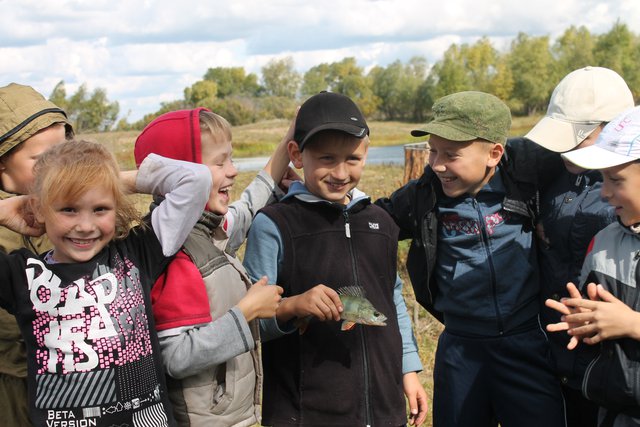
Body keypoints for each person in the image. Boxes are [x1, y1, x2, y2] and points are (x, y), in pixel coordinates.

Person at [375, 91, 566, 427]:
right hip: (461, 351)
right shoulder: (423, 196)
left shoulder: (525, 178)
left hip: (527, 344)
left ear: (494, 154)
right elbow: (373, 222)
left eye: (451, 154)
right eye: (432, 150)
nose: (437, 164)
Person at [243, 91, 428, 427]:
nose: (341, 172)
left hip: (384, 410)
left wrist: (409, 370)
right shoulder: (273, 224)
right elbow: (252, 320)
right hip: (305, 414)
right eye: (327, 158)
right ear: (296, 155)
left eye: (353, 159)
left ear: (366, 154)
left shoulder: (381, 223)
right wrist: (294, 305)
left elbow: (393, 300)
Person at [0, 140, 212, 426]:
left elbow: (196, 179)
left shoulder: (138, 254)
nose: (86, 226)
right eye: (68, 209)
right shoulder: (21, 275)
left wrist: (107, 181)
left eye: (100, 208)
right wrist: (5, 210)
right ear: (39, 209)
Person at [133, 107, 289, 426]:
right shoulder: (175, 254)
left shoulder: (208, 228)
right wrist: (246, 312)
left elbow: (248, 208)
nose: (233, 171)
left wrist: (290, 141)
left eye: (231, 159)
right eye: (220, 163)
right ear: (182, 177)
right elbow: (175, 357)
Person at [524, 66, 635, 427]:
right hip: (561, 360)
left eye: (576, 138)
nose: (564, 149)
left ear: (614, 127)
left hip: (619, 367)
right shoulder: (547, 171)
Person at [546, 105, 640, 427]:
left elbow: (625, 323)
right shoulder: (603, 242)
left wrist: (632, 324)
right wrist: (585, 319)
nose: (604, 192)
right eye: (602, 178)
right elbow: (599, 319)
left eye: (615, 179)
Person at [0, 82, 74, 427]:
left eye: (64, 153)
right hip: (11, 386)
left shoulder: (70, 213)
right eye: (42, 159)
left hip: (69, 384)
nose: (58, 166)